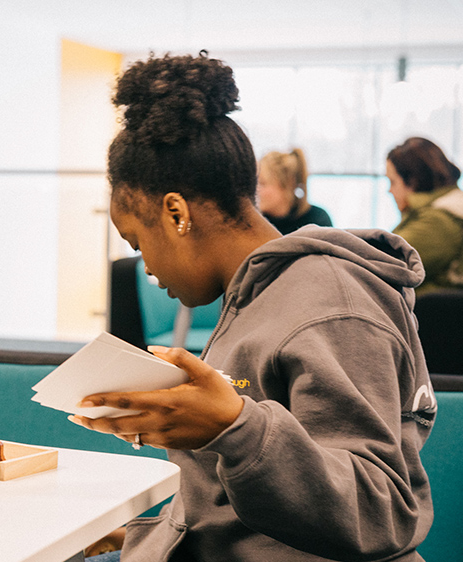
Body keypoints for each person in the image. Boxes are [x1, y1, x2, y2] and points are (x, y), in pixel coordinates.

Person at [72, 53, 434, 561]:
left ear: (176, 212)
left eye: (138, 242)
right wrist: (140, 534)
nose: (146, 268)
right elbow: (239, 511)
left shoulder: (333, 303)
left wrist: (235, 427)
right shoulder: (253, 296)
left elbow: (383, 511)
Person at [386, 137, 463, 296]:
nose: (389, 191)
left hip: (429, 318)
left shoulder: (439, 221)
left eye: (393, 182)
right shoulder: (449, 210)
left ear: (412, 183)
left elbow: (380, 263)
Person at [256, 148, 332, 234]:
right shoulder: (252, 221)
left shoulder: (317, 221)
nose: (255, 189)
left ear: (288, 185)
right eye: (255, 182)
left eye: (262, 183)